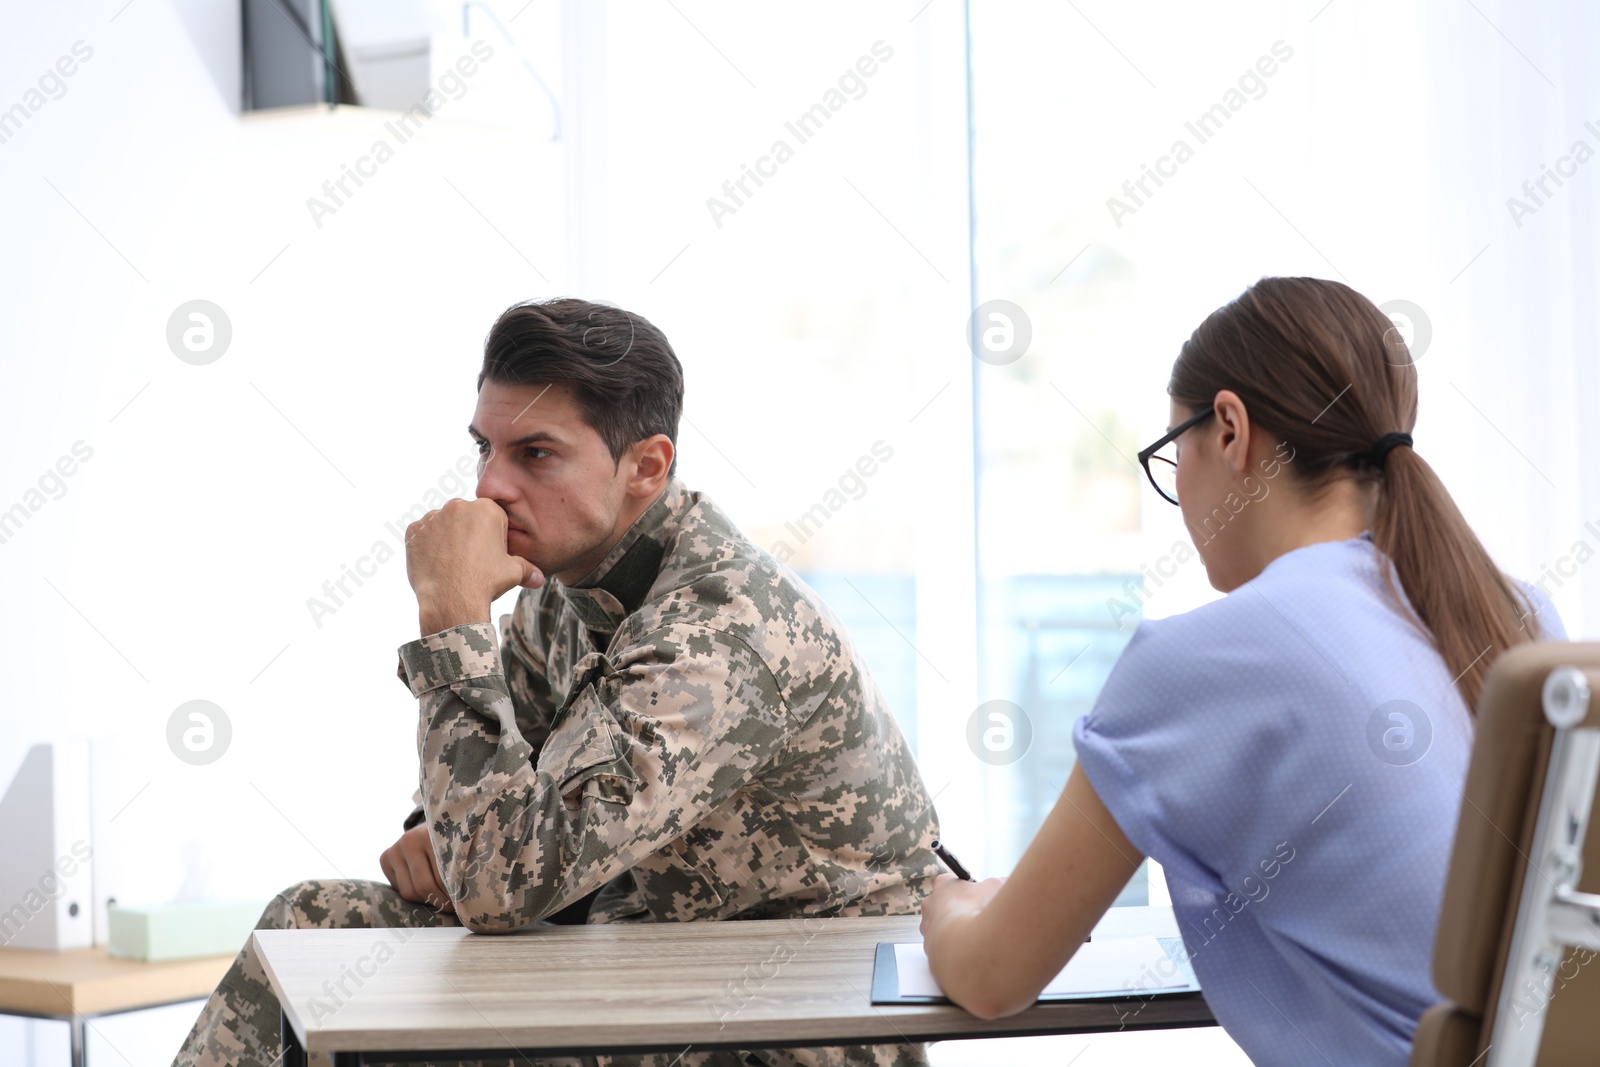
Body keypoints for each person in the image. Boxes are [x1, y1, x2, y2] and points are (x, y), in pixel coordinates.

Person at [175, 298, 939, 1067]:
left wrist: (452, 617)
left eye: (534, 453)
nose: (489, 487)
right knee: (308, 927)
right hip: (646, 962)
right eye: (485, 448)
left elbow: (500, 885)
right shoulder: (563, 588)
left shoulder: (720, 627)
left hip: (793, 1021)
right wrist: (431, 833)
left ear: (646, 466)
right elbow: (497, 812)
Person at [917, 276, 1566, 1066]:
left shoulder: (1203, 658)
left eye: (1170, 454)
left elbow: (991, 976)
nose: (1178, 493)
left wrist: (948, 908)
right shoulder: (1520, 616)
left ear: (1229, 429)